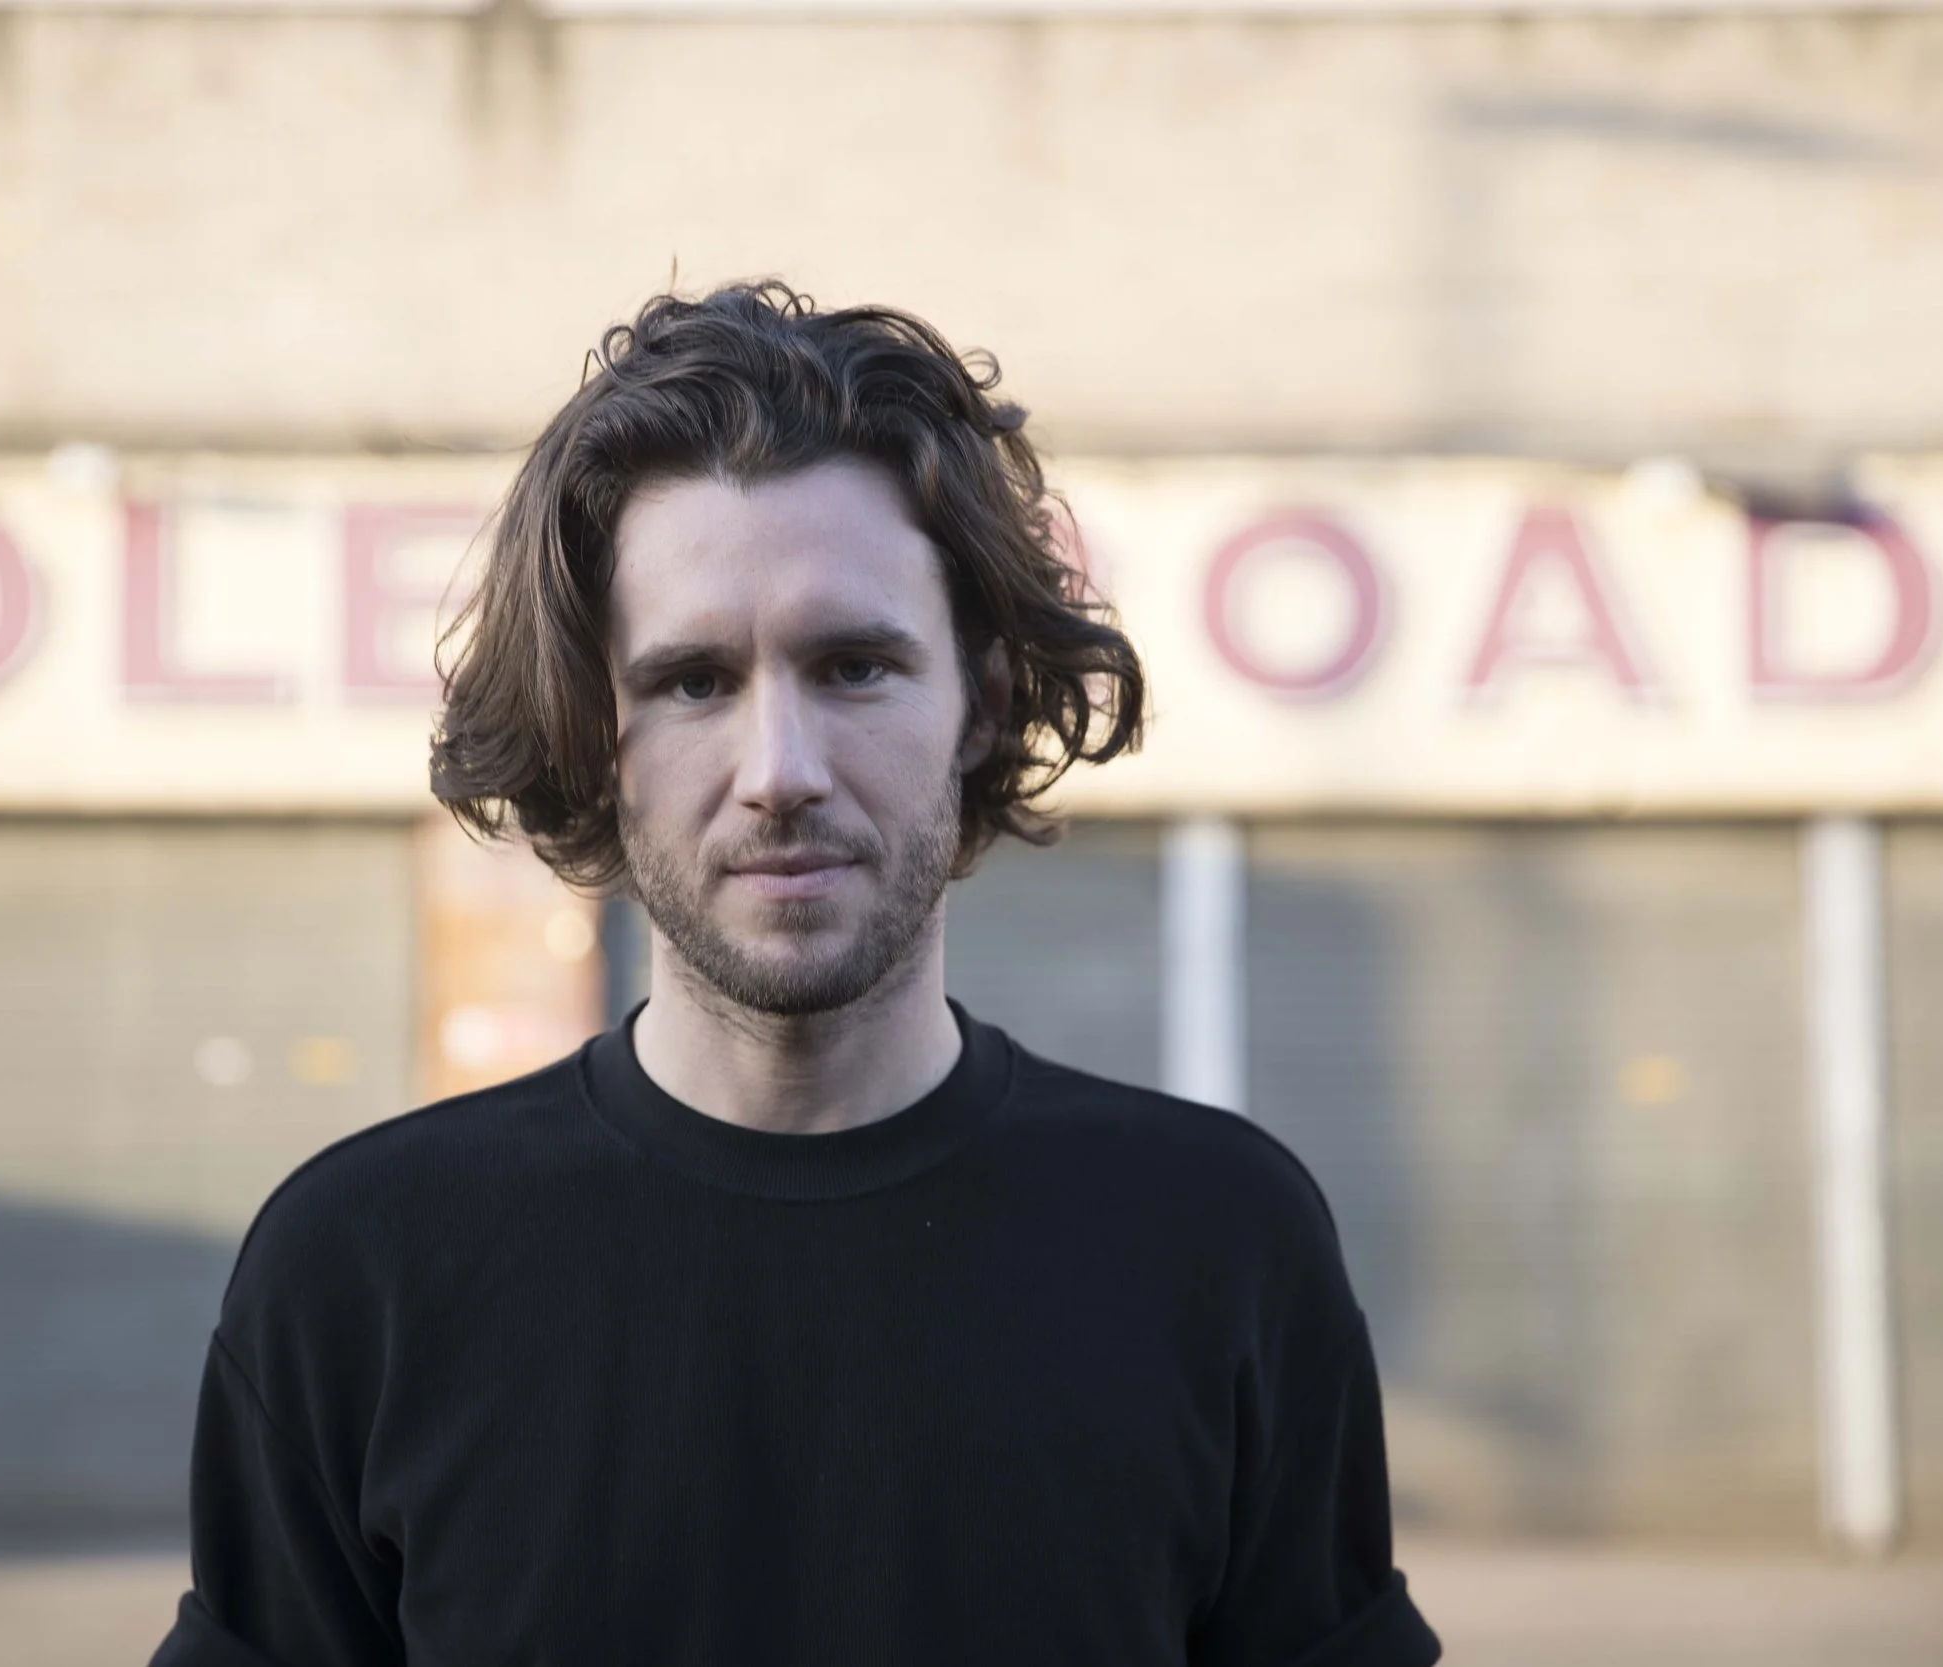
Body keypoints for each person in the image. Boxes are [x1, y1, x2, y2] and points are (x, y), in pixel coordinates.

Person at [150, 282, 1440, 1667]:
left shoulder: (1221, 1246)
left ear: (983, 703)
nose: (781, 772)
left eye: (855, 666)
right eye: (695, 681)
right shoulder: (362, 1272)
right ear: (595, 732)